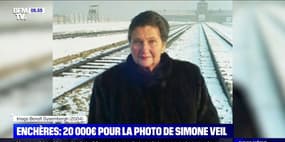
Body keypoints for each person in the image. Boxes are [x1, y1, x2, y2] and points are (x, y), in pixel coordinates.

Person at [88, 10, 219, 123]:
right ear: (130, 44)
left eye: (152, 42)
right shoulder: (106, 83)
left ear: (163, 44)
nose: (144, 49)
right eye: (138, 42)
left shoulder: (190, 76)